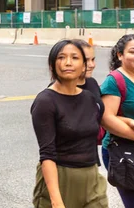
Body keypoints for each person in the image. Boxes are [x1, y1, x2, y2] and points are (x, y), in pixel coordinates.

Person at [31, 39, 108, 208]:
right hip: (61, 177)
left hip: (91, 175)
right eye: (61, 57)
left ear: (83, 66)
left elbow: (99, 124)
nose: (68, 62)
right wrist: (56, 200)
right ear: (52, 65)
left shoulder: (89, 97)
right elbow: (47, 154)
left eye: (74, 57)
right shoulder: (45, 101)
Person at [101, 34, 134, 206]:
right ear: (120, 55)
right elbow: (106, 119)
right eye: (133, 51)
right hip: (127, 153)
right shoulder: (114, 81)